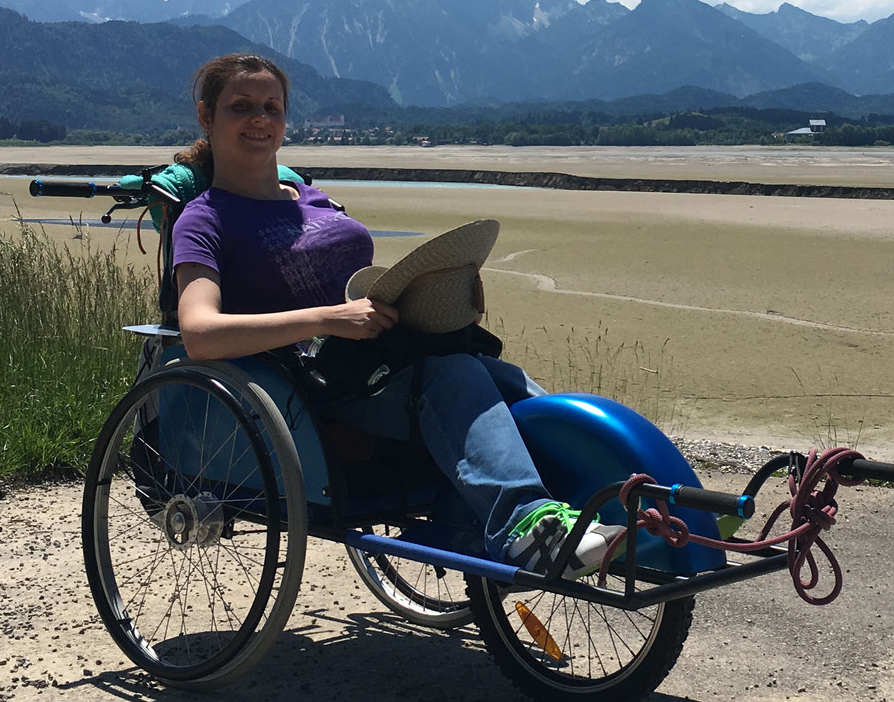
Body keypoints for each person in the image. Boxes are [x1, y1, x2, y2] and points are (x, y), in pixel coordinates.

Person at [168, 52, 607, 573]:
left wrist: (438, 294)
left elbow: (360, 285)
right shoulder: (204, 220)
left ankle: (619, 505)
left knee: (508, 383)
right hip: (310, 385)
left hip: (378, 359)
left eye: (272, 106)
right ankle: (523, 527)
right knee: (456, 375)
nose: (261, 119)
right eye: (241, 107)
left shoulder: (312, 198)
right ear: (206, 117)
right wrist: (327, 319)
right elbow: (199, 333)